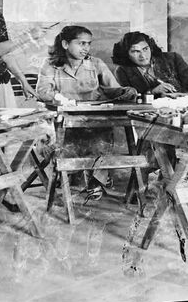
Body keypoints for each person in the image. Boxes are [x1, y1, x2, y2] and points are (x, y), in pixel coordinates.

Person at [35, 26, 139, 200]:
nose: (86, 48)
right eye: (81, 43)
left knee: (103, 133)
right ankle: (94, 178)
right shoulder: (50, 65)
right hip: (62, 123)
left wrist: (125, 92)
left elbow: (113, 89)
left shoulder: (96, 63)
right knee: (66, 144)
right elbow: (42, 91)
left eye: (88, 44)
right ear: (65, 44)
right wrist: (59, 97)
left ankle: (96, 181)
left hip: (91, 121)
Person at [112, 31, 188, 96]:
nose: (143, 55)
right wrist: (152, 91)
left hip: (182, 106)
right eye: (135, 51)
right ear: (126, 54)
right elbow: (128, 97)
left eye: (145, 49)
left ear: (151, 47)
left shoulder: (172, 58)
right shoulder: (122, 71)